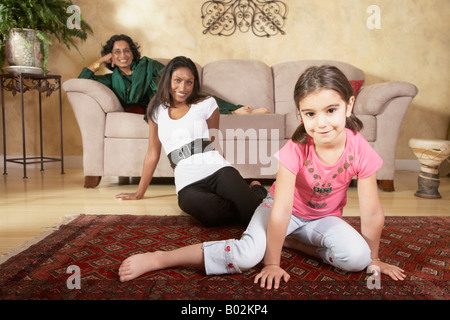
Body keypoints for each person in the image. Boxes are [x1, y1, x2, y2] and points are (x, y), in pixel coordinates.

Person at [118, 65, 406, 287]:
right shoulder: (295, 149)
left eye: (331, 110)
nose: (321, 123)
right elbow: (281, 210)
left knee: (357, 259)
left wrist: (375, 258)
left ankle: (293, 242)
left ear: (349, 105)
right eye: (310, 114)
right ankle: (161, 259)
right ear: (300, 115)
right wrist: (271, 262)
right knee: (246, 256)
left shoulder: (360, 150)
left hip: (323, 218)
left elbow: (371, 213)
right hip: (280, 211)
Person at [115, 56, 267, 228]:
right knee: (213, 216)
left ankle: (255, 192)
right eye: (177, 81)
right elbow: (152, 153)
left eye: (189, 82)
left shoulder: (207, 103)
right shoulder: (156, 109)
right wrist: (139, 193)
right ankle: (247, 197)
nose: (183, 88)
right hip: (188, 183)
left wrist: (230, 177)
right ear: (168, 80)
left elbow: (214, 143)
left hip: (217, 170)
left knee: (252, 214)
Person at [78, 34, 270, 115]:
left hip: (168, 94)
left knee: (195, 95)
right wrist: (100, 61)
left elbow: (169, 77)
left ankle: (238, 110)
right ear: (111, 55)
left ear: (132, 52)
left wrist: (178, 90)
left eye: (126, 50)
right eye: (117, 52)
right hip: (156, 106)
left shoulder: (146, 64)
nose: (123, 55)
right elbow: (82, 81)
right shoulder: (111, 80)